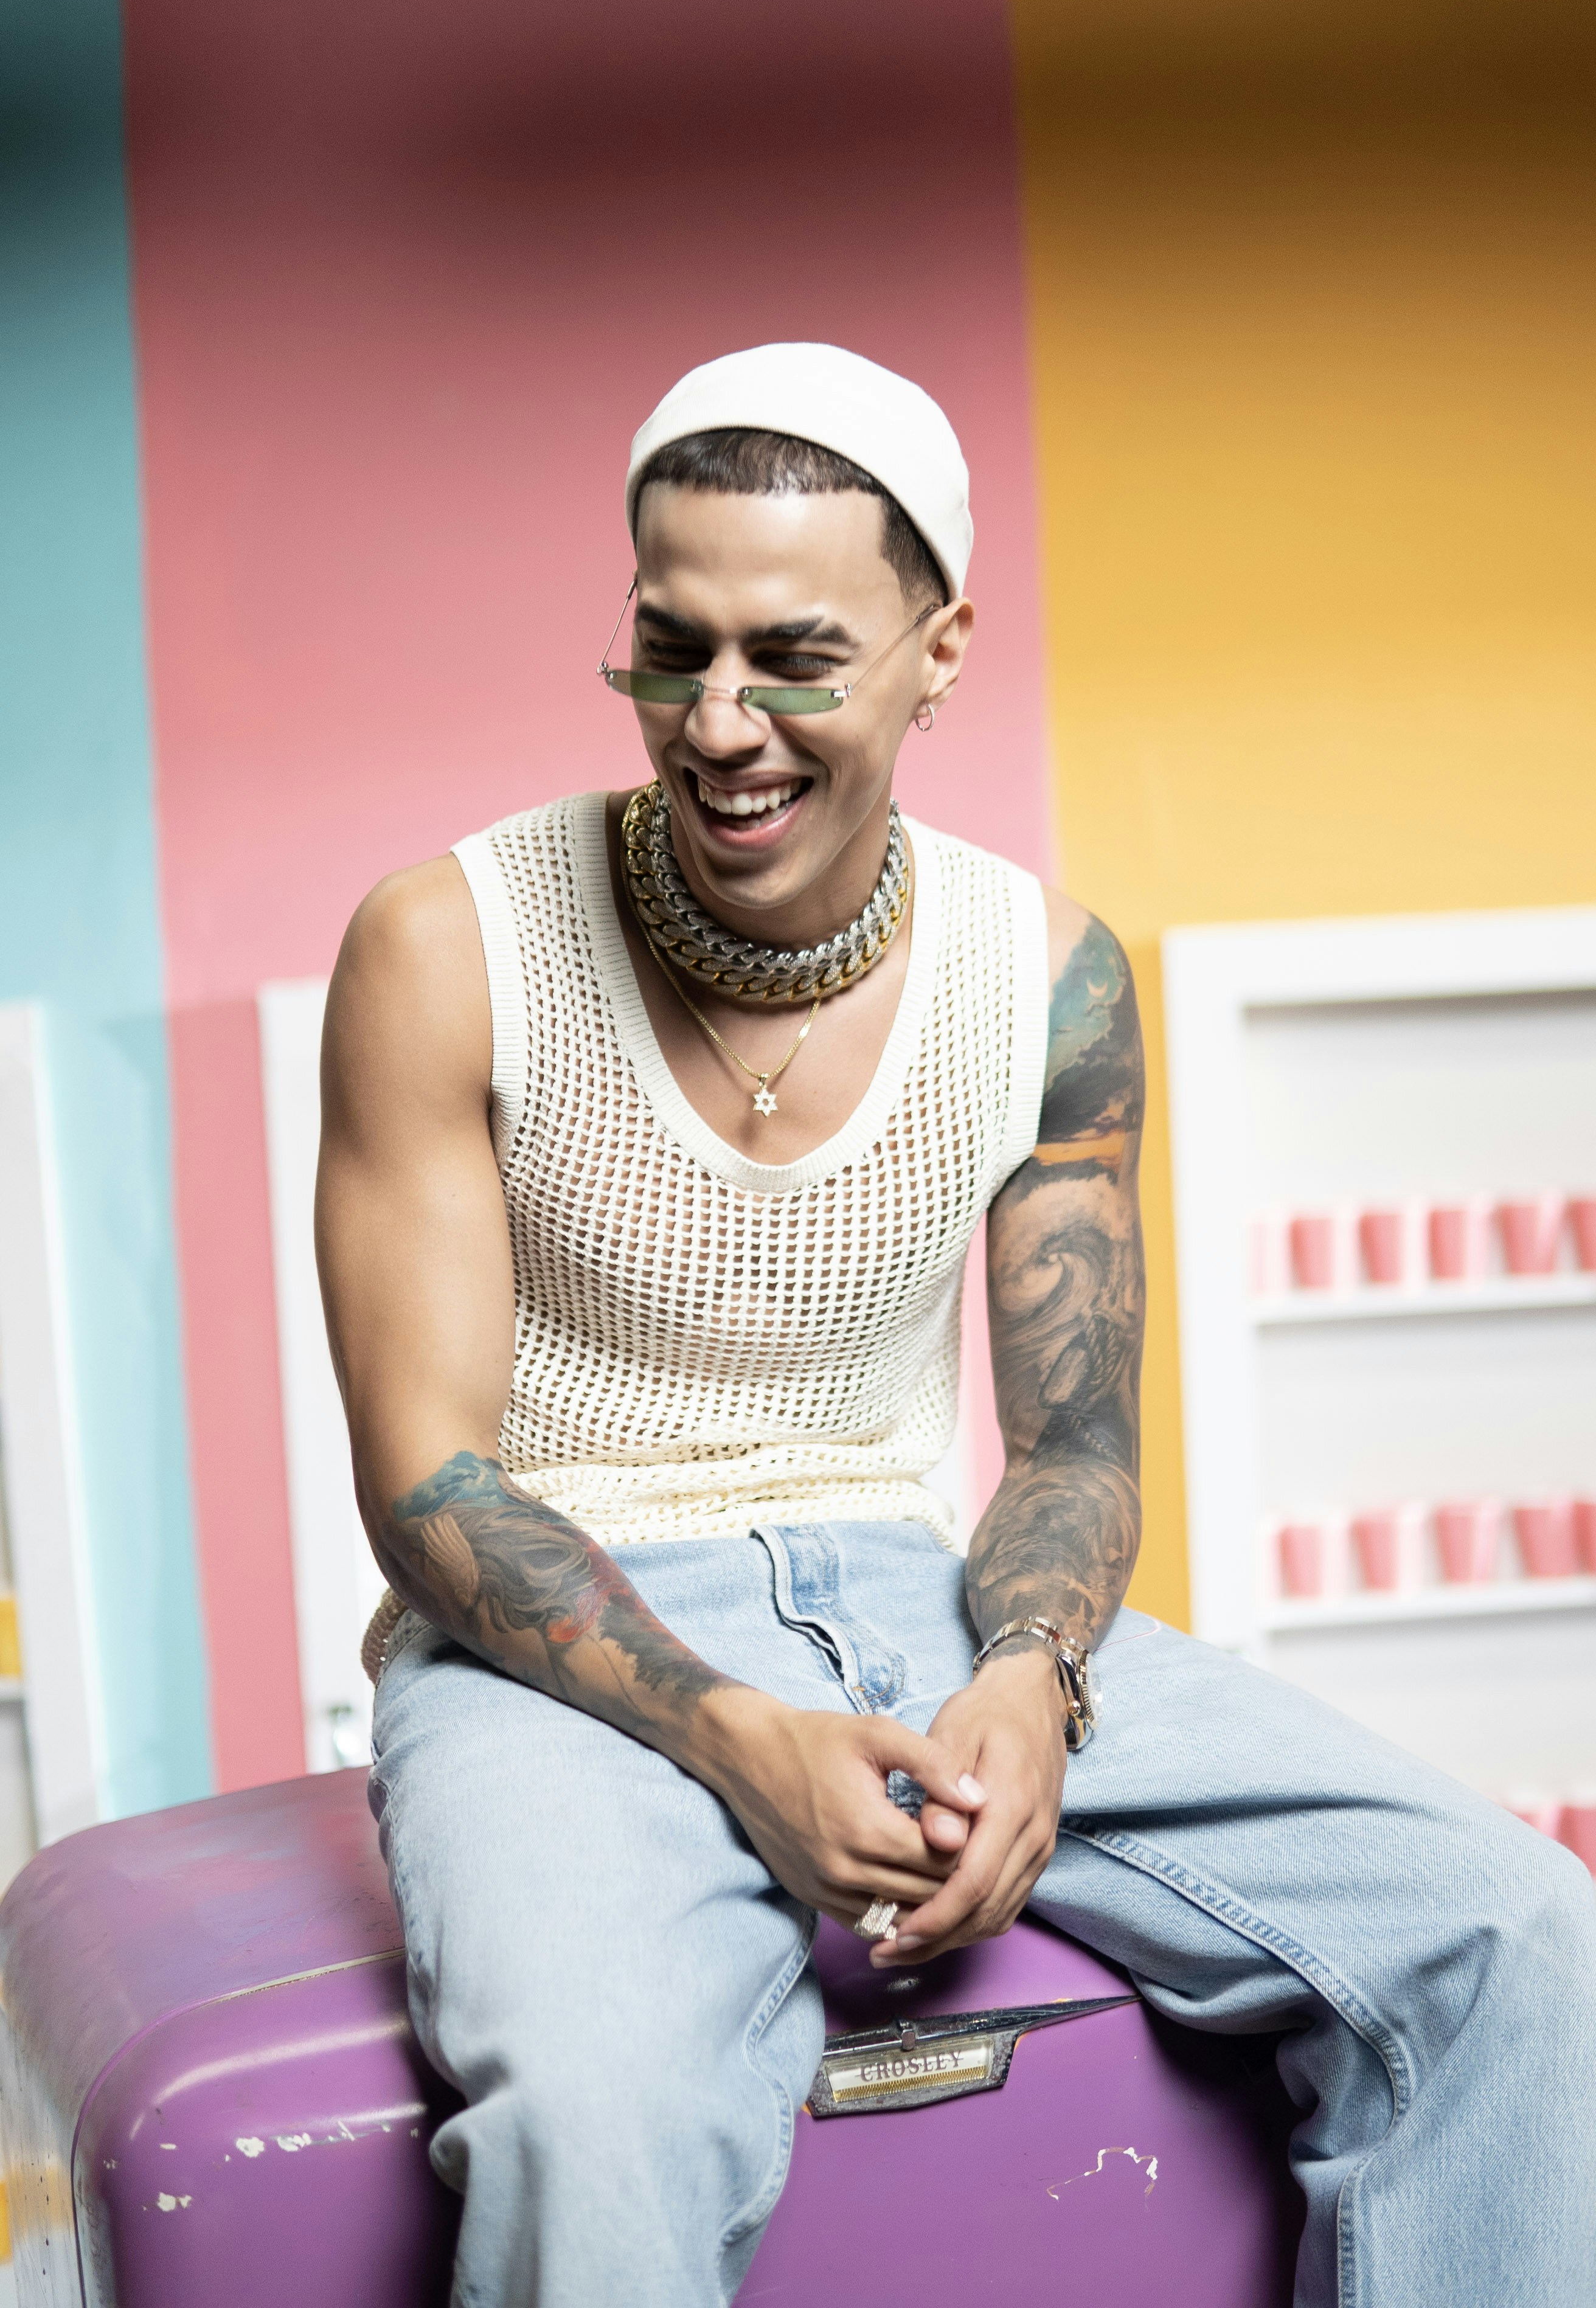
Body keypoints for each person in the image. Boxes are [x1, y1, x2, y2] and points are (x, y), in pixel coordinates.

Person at [316, 341, 1595, 2308]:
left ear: (940, 653)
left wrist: (1030, 1679)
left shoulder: (1048, 978)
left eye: (794, 659)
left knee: (1516, 1936)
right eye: (671, 646)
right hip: (547, 1643)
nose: (719, 723)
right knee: (598, 2116)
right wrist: (740, 1740)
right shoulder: (449, 945)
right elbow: (430, 1483)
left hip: (926, 1600)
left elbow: (1071, 1446)